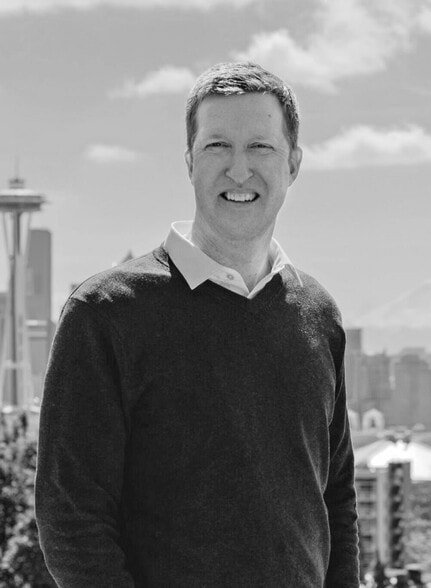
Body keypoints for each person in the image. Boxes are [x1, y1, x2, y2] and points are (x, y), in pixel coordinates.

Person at [35, 62, 359, 587]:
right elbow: (70, 519)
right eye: (217, 146)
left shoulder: (318, 314)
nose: (238, 170)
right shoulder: (105, 311)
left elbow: (336, 500)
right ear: (189, 161)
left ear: (293, 163)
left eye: (260, 147)